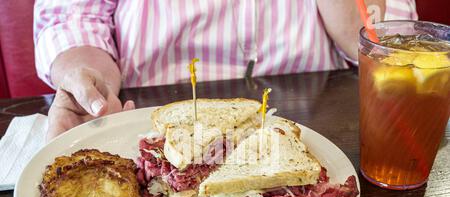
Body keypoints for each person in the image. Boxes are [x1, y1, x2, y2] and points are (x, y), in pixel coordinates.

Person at [34, 0, 417, 140]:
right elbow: (76, 14)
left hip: (321, 133)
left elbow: (399, 50)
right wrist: (87, 75)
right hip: (143, 125)